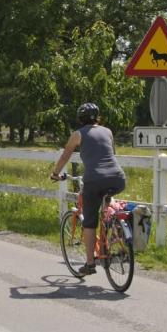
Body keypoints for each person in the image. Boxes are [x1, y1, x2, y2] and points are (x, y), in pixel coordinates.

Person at [51, 103, 126, 276]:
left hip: (94, 180)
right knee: (107, 201)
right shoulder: (108, 131)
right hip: (118, 178)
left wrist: (55, 173)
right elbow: (111, 154)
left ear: (80, 118)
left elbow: (65, 156)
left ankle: (90, 264)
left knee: (90, 222)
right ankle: (116, 233)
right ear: (97, 117)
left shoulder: (77, 135)